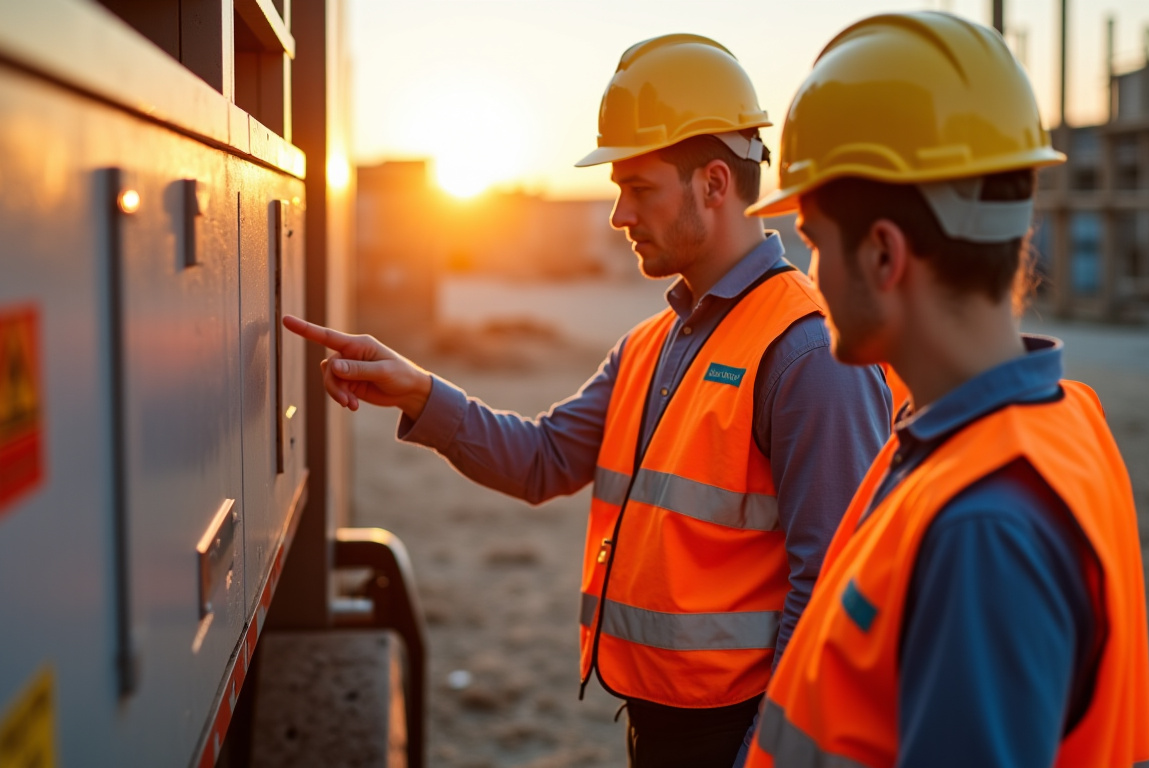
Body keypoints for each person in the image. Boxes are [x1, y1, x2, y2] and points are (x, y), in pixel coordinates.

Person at [285, 34, 892, 768]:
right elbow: (542, 460)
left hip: (740, 739)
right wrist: (417, 389)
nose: (618, 217)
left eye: (639, 189)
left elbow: (832, 599)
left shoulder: (808, 353)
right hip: (657, 727)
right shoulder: (651, 345)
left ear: (713, 184)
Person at [742, 11, 1149, 768]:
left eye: (812, 241)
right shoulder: (1050, 425)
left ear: (882, 254)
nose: (810, 278)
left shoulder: (984, 532)